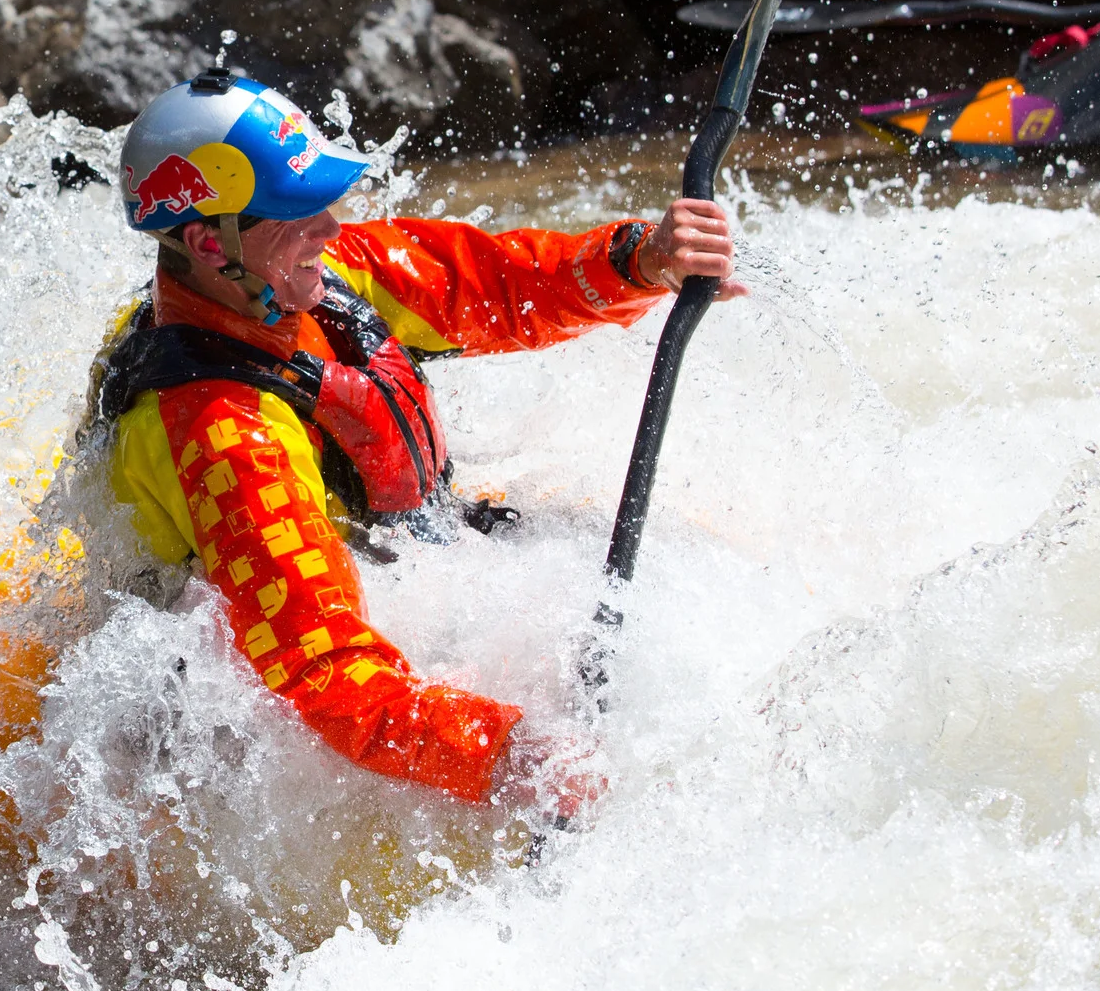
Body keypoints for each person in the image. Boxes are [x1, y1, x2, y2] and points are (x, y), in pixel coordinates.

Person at [94, 70, 743, 818]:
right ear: (210, 242)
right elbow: (325, 674)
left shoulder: (302, 276)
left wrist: (643, 260)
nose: (329, 228)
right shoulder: (223, 437)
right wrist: (506, 755)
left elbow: (496, 285)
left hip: (397, 559)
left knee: (681, 573)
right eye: (298, 210)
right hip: (214, 713)